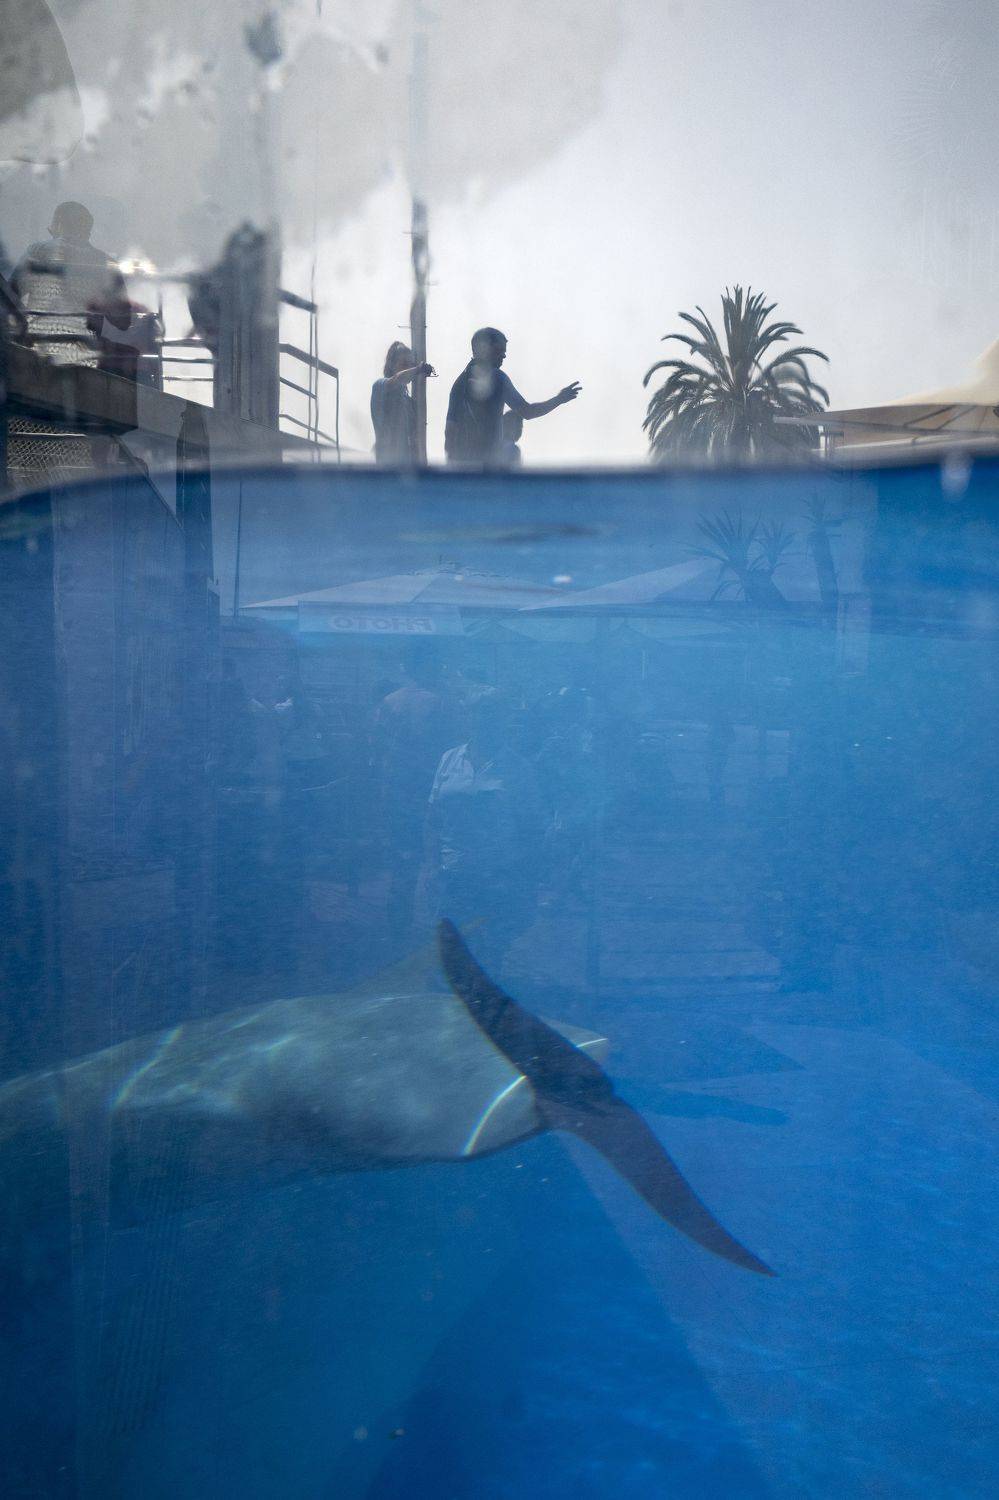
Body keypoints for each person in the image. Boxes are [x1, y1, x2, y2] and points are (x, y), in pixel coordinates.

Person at [11, 201, 131, 367]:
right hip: (82, 362)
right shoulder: (105, 263)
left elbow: (10, 298)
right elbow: (123, 321)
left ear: (58, 224)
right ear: (88, 231)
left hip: (36, 357)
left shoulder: (36, 252)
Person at [444, 326, 580, 466]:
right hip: (488, 470)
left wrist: (451, 470)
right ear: (483, 348)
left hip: (461, 471)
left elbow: (450, 432)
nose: (504, 356)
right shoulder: (497, 378)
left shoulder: (458, 384)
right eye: (499, 351)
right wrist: (559, 399)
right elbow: (527, 411)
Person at [370, 341, 436, 464]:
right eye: (404, 364)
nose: (408, 368)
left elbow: (415, 440)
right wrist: (418, 369)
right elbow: (397, 379)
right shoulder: (379, 386)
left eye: (410, 364)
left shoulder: (410, 403)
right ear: (391, 365)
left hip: (407, 469)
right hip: (387, 466)